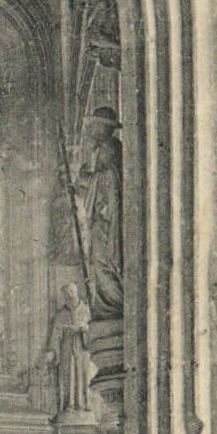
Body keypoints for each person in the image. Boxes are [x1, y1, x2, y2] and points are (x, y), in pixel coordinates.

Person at [77, 105, 123, 318]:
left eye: (95, 125)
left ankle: (114, 304)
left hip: (106, 221)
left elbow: (107, 179)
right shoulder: (101, 148)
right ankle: (107, 305)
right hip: (100, 219)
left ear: (104, 127)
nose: (92, 129)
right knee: (97, 263)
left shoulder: (111, 148)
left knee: (103, 262)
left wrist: (85, 178)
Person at [44, 282, 95, 412]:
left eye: (72, 292)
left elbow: (93, 329)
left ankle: (85, 402)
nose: (70, 296)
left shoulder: (87, 311)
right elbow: (55, 335)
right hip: (66, 348)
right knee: (68, 375)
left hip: (82, 348)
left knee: (84, 375)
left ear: (77, 292)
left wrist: (84, 329)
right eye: (67, 294)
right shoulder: (60, 314)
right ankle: (69, 404)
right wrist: (52, 351)